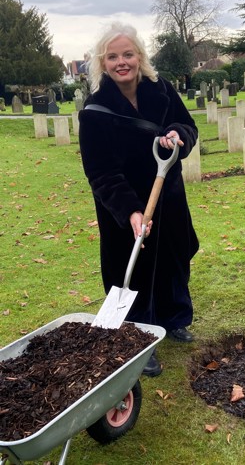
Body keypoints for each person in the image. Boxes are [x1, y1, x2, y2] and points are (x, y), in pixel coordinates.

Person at [78, 23, 199, 377]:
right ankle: (136, 338)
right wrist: (130, 211)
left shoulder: (160, 90)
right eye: (113, 56)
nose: (121, 62)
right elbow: (100, 171)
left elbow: (187, 126)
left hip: (168, 196)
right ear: (103, 62)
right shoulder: (95, 110)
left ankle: (174, 318)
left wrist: (179, 136)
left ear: (140, 57)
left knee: (174, 258)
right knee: (130, 270)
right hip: (125, 206)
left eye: (128, 54)